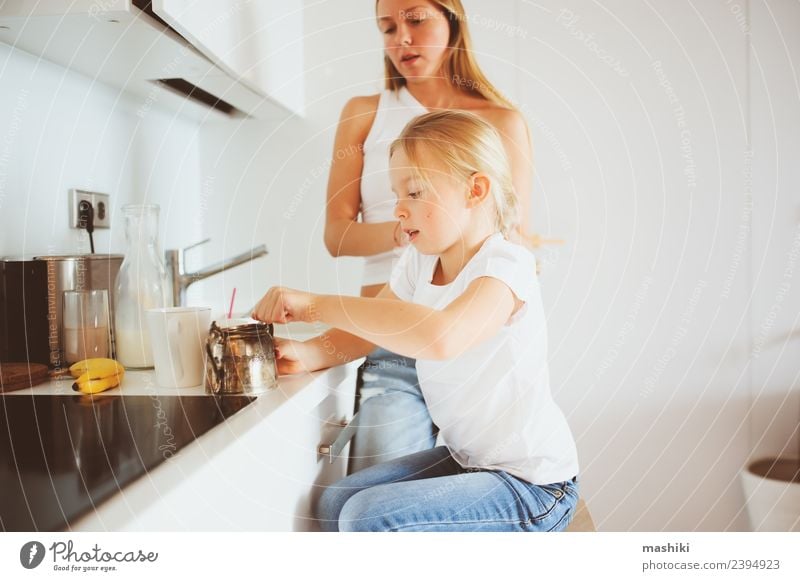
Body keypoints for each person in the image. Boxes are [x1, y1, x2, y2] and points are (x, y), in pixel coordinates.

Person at [253, 110, 579, 532]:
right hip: (472, 462)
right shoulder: (419, 263)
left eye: (415, 192)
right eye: (396, 195)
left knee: (367, 518)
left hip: (533, 487)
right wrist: (304, 353)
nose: (399, 210)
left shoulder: (506, 266)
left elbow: (440, 338)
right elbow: (366, 332)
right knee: (336, 503)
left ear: (475, 190)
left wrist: (316, 305)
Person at [324, 0, 534, 472]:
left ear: (452, 20)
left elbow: (512, 233)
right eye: (387, 27)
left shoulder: (502, 122)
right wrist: (413, 229)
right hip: (390, 343)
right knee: (377, 492)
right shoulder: (363, 114)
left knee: (479, 490)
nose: (401, 38)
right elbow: (337, 237)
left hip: (475, 346)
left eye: (415, 20)